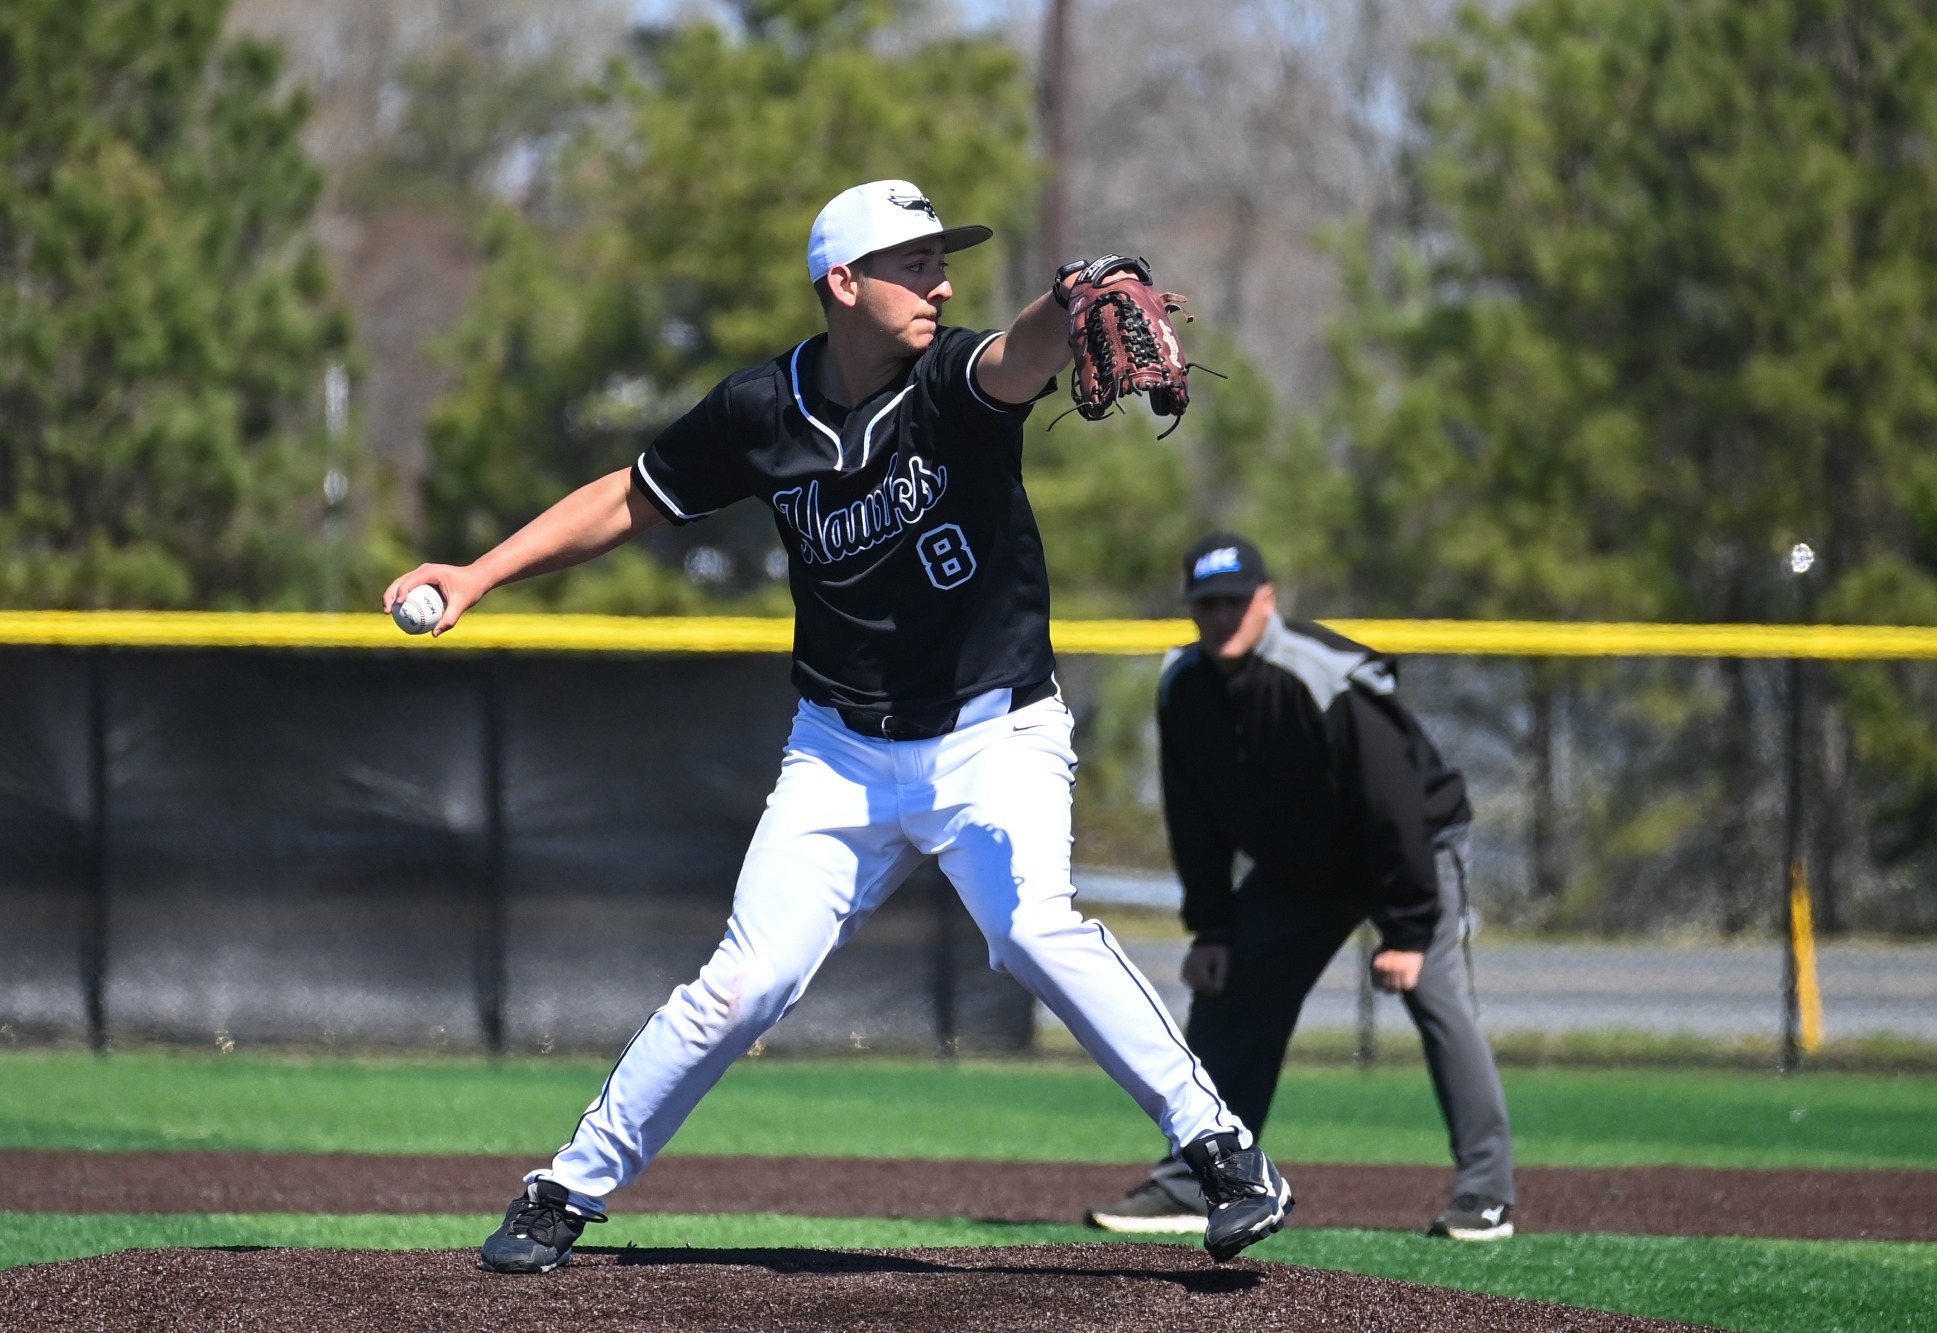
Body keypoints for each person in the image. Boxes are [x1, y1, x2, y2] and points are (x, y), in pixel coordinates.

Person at [384, 182, 1293, 1272]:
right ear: (842, 282)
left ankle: (1222, 1150)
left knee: (1032, 930)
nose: (938, 280)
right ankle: (565, 1187)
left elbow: (1020, 354)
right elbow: (631, 495)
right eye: (912, 263)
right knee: (744, 981)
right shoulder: (760, 411)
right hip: (842, 753)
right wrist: (479, 574)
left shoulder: (949, 382)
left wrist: (1076, 299)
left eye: (941, 263)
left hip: (992, 737)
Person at [1085, 534, 1517, 1241]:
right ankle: (1195, 1181)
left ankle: (1486, 1194)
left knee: (1435, 994)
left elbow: (1395, 800)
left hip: (1408, 848)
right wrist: (1214, 927)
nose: (1221, 616)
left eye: (1233, 601)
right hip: (1302, 869)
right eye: (1206, 604)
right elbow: (1194, 816)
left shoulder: (1322, 673)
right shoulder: (1184, 685)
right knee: (1229, 991)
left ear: (1266, 600)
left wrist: (1407, 930)